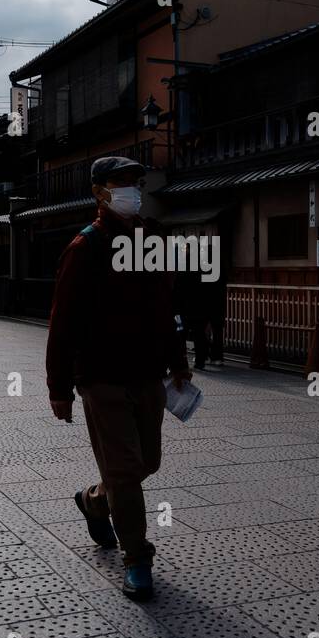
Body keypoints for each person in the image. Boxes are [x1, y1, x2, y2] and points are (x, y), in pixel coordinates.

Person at [46, 156, 191, 601]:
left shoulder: (151, 239)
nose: (131, 190)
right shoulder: (85, 247)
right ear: (99, 192)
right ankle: (137, 558)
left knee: (147, 462)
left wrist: (178, 360)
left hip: (147, 372)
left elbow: (166, 306)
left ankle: (93, 500)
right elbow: (62, 322)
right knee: (126, 471)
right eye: (120, 183)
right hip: (101, 375)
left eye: (135, 182)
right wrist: (59, 387)